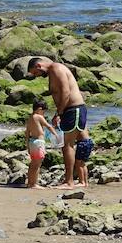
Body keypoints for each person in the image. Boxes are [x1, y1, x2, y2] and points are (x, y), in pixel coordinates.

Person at [27, 57, 90, 188]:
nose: (37, 76)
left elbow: (66, 92)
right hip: (70, 110)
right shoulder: (52, 72)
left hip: (73, 109)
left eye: (35, 73)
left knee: (67, 145)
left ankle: (69, 182)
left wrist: (60, 113)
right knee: (70, 144)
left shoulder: (56, 68)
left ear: (39, 65)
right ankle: (81, 181)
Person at [24, 100, 58, 189]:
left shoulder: (30, 118)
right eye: (44, 111)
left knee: (33, 164)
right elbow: (48, 126)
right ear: (39, 109)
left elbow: (27, 132)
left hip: (32, 142)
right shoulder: (39, 116)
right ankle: (34, 184)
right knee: (37, 164)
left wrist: (27, 145)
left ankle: (29, 183)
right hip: (39, 142)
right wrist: (56, 135)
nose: (44, 113)